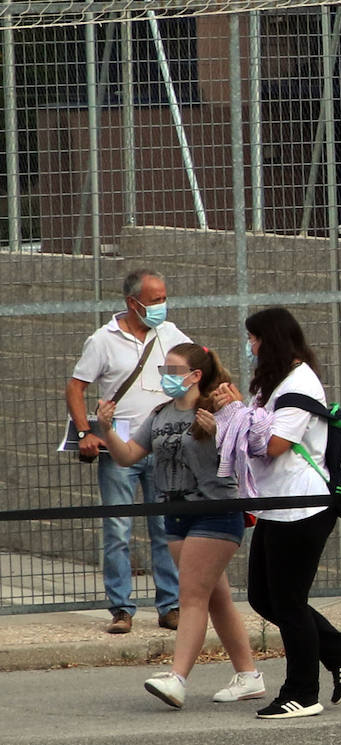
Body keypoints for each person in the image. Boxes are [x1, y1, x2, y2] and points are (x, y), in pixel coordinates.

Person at [211, 307, 341, 719]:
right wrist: (231, 416)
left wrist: (238, 415)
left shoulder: (301, 384)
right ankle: (340, 649)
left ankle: (302, 692)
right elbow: (253, 432)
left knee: (290, 602)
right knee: (264, 597)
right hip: (275, 505)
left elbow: (274, 443)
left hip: (304, 505)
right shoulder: (273, 383)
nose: (250, 346)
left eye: (254, 339)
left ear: (272, 340)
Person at [96, 343, 265, 709]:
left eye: (174, 370)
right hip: (174, 513)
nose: (166, 377)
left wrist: (220, 428)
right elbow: (127, 457)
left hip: (215, 511)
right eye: (164, 370)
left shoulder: (216, 408)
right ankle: (249, 675)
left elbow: (244, 453)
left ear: (195, 375)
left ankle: (178, 677)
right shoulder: (159, 414)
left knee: (190, 596)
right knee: (215, 598)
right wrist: (106, 429)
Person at [65, 268, 184, 635]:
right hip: (119, 442)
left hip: (161, 442)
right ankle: (121, 608)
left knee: (164, 526)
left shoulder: (170, 333)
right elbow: (75, 387)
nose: (162, 306)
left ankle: (171, 605)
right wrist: (86, 430)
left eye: (164, 298)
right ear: (133, 303)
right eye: (155, 300)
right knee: (118, 529)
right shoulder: (103, 339)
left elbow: (197, 365)